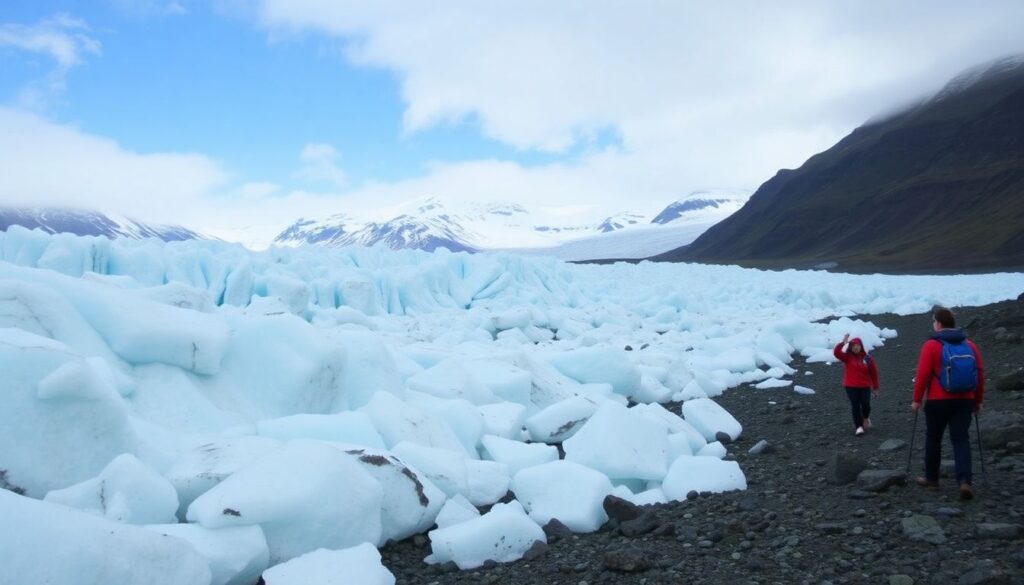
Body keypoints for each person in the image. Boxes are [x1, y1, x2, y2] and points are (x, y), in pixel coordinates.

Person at [912, 307, 984, 501]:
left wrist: (916, 400)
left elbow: (923, 375)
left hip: (937, 401)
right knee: (961, 440)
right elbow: (979, 374)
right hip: (964, 400)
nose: (933, 325)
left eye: (934, 322)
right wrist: (977, 401)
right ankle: (964, 482)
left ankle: (932, 480)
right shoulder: (970, 345)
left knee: (934, 438)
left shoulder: (931, 345)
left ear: (939, 324)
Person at [833, 333, 880, 436]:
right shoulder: (847, 357)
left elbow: (874, 373)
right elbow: (836, 353)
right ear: (851, 347)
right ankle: (858, 427)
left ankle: (866, 417)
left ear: (861, 346)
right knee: (855, 405)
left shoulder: (867, 358)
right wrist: (842, 343)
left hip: (864, 386)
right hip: (850, 386)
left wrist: (876, 387)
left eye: (857, 346)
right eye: (853, 346)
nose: (856, 348)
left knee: (866, 405)